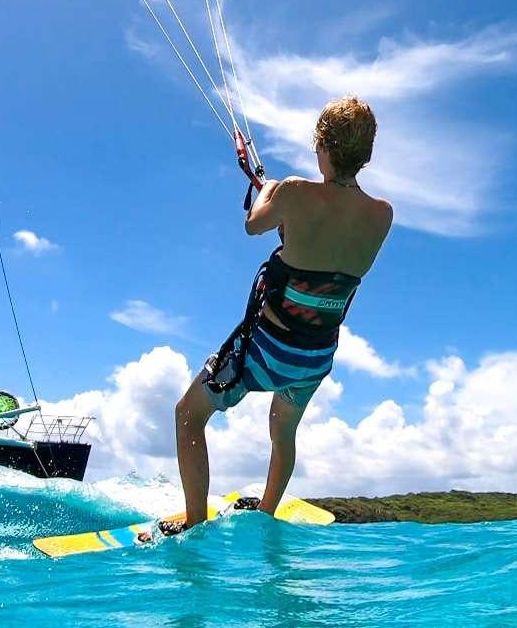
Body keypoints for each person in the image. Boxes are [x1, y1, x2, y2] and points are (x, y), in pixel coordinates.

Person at [165, 96, 393, 536]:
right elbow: (328, 244)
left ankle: (194, 520)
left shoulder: (292, 193)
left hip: (267, 348)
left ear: (321, 145)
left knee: (188, 414)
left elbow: (254, 225)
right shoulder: (381, 215)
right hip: (314, 358)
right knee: (282, 429)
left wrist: (269, 190)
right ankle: (266, 510)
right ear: (364, 156)